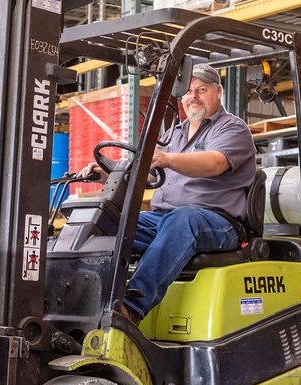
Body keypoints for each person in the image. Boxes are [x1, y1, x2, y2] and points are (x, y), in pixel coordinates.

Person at [80, 64, 256, 324]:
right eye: (188, 91)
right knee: (105, 219)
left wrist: (169, 159)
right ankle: (86, 300)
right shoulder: (174, 133)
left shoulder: (232, 128)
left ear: (218, 92)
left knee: (183, 219)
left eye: (202, 89)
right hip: (164, 219)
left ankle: (129, 310)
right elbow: (149, 173)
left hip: (217, 223)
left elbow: (215, 163)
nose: (193, 96)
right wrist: (107, 171)